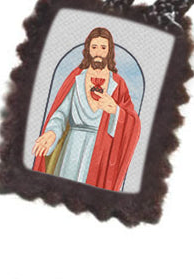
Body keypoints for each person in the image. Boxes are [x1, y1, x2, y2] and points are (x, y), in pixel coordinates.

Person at [32, 27, 141, 192]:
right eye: (94, 47)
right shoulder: (77, 78)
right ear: (88, 49)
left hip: (99, 153)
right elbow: (61, 114)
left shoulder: (118, 84)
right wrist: (52, 132)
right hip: (72, 148)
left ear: (110, 51)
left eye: (103, 47)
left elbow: (133, 123)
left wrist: (116, 111)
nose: (98, 52)